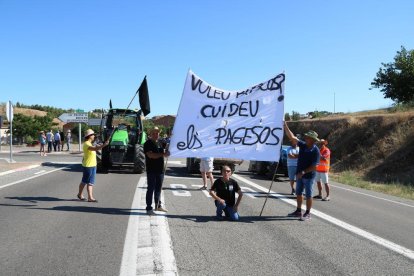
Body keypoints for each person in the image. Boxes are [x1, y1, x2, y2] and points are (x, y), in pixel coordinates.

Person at [284, 121, 320, 221]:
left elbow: (314, 167)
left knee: (308, 195)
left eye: (308, 137)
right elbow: (292, 138)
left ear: (312, 140)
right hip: (300, 175)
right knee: (299, 193)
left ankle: (308, 213)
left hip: (308, 176)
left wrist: (303, 172)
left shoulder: (316, 151)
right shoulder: (303, 145)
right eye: (306, 137)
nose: (305, 138)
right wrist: (285, 125)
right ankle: (298, 210)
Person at [77, 129, 109, 202]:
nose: (94, 136)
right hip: (88, 166)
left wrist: (101, 145)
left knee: (91, 182)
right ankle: (80, 194)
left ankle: (90, 197)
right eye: (93, 135)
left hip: (93, 165)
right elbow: (95, 149)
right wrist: (104, 145)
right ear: (89, 136)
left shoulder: (90, 143)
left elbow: (96, 148)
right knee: (84, 181)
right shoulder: (87, 144)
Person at [144, 126, 170, 215]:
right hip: (151, 170)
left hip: (160, 170)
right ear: (150, 134)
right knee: (150, 189)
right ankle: (148, 208)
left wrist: (172, 139)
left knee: (158, 188)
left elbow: (167, 147)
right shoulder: (147, 143)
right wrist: (163, 154)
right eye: (154, 133)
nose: (156, 134)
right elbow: (151, 155)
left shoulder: (160, 142)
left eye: (157, 133)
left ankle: (158, 206)